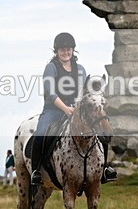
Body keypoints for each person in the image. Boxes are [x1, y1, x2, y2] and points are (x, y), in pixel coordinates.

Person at [31, 32, 117, 186]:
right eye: (62, 50)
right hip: (54, 109)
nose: (65, 52)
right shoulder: (51, 68)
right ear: (57, 51)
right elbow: (50, 93)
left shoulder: (81, 69)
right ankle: (36, 171)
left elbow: (84, 92)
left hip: (76, 109)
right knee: (41, 133)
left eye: (68, 49)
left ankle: (104, 168)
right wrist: (65, 108)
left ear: (73, 50)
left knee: (99, 129)